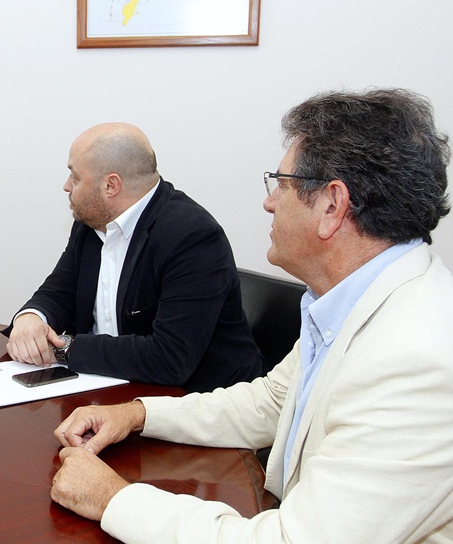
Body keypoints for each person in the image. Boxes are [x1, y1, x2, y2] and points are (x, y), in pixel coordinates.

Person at [50, 89, 453, 543]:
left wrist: (114, 499)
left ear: (332, 206)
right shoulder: (353, 302)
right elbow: (271, 404)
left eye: (281, 184)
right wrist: (138, 414)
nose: (269, 202)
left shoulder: (416, 361)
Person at [3, 122, 263, 392]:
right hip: (113, 384)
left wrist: (64, 348)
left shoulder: (192, 236)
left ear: (111, 185)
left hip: (200, 399)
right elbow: (60, 292)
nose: (67, 186)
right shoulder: (91, 222)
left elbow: (169, 358)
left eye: (75, 177)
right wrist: (32, 319)